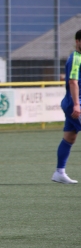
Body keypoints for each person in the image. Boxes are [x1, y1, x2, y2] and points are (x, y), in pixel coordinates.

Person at [51, 29, 81, 184]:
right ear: (77, 42)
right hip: (74, 103)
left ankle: (59, 172)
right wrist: (77, 104)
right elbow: (73, 82)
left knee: (70, 137)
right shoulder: (75, 58)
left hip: (73, 103)